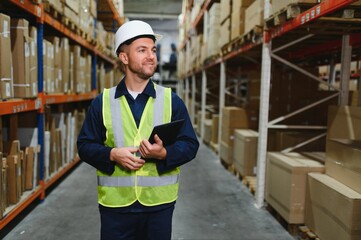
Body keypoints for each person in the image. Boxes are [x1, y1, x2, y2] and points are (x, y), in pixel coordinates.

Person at [77, 20, 199, 240]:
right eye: (142, 50)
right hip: (116, 206)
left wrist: (165, 154)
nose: (151, 56)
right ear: (124, 57)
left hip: (158, 205)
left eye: (153, 50)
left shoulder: (171, 101)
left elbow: (190, 145)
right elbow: (85, 146)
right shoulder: (102, 102)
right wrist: (112, 154)